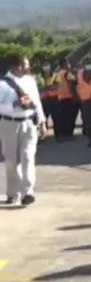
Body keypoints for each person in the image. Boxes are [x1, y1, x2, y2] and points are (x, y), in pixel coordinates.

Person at [0, 54, 46, 206]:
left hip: (29, 123)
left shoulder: (30, 81)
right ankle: (13, 193)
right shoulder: (2, 84)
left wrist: (42, 121)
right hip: (9, 124)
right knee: (12, 160)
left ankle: (28, 192)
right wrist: (15, 105)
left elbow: (37, 102)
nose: (28, 67)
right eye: (26, 65)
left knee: (27, 157)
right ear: (16, 66)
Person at [53, 60, 78, 141]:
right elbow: (72, 84)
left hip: (60, 97)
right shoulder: (67, 73)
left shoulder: (57, 74)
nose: (69, 65)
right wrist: (75, 96)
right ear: (64, 64)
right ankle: (68, 134)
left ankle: (63, 134)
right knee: (70, 117)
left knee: (63, 117)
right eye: (68, 63)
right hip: (68, 97)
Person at [38, 63, 57, 130]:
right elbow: (37, 88)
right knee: (43, 117)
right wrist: (49, 87)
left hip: (54, 98)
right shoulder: (39, 76)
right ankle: (44, 133)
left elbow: (56, 87)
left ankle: (58, 134)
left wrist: (45, 87)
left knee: (56, 117)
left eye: (47, 65)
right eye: (44, 65)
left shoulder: (55, 75)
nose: (46, 67)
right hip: (43, 99)